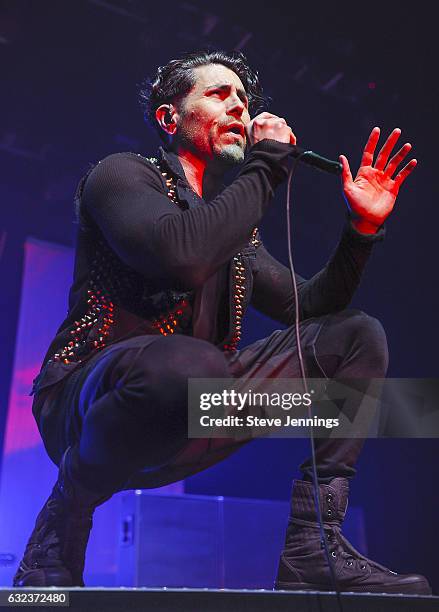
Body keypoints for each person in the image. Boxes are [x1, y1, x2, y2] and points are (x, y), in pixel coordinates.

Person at [13, 50, 431, 594]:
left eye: (244, 98)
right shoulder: (121, 176)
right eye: (218, 94)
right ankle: (63, 517)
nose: (240, 106)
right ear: (169, 119)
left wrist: (361, 229)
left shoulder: (232, 232)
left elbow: (312, 308)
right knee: (190, 365)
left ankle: (313, 543)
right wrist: (268, 164)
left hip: (198, 411)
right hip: (86, 414)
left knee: (355, 336)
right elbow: (180, 255)